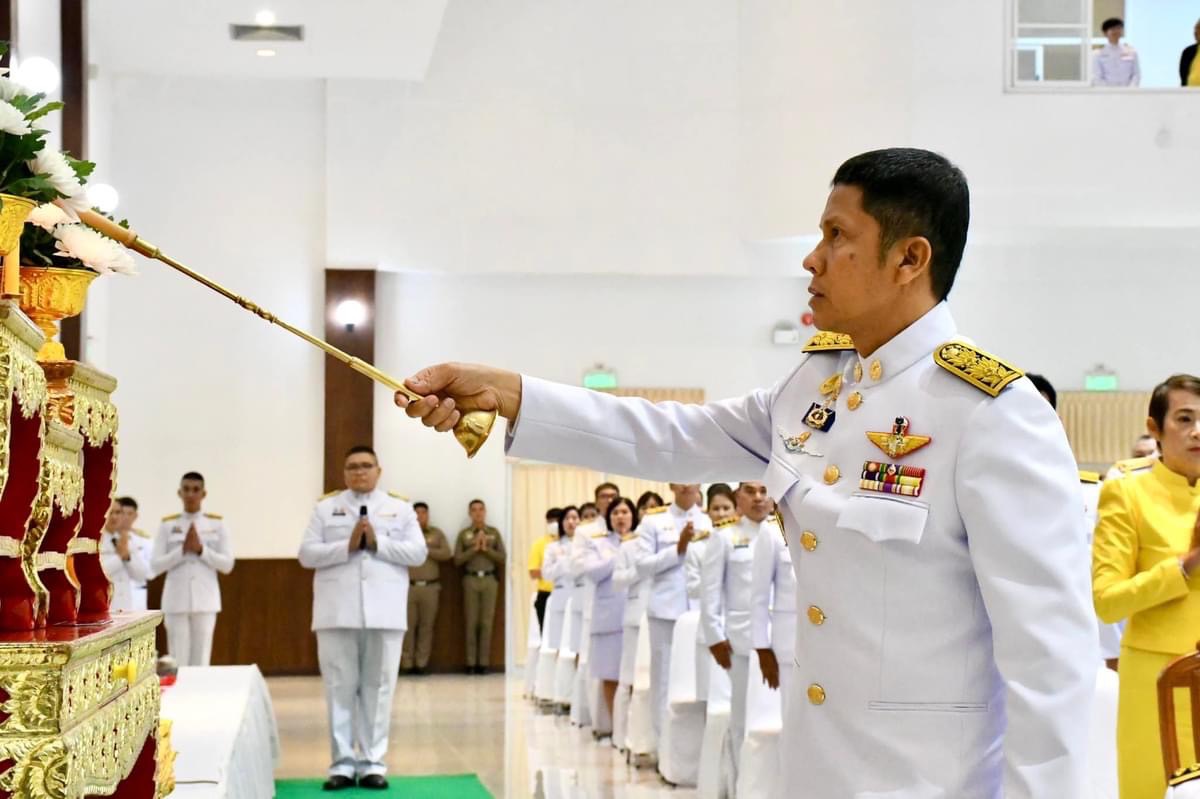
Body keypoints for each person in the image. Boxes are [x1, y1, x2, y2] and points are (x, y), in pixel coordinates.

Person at [398, 147, 1097, 796]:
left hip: (928, 779)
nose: (811, 260)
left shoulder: (992, 413)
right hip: (815, 768)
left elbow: (1050, 658)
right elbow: (671, 437)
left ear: (909, 257)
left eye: (835, 237)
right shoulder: (817, 383)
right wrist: (512, 393)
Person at [1093, 374, 1200, 799]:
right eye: (1185, 418)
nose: (1198, 432)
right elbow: (1107, 601)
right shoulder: (1128, 492)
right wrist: (1184, 568)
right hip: (1156, 678)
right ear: (1155, 428)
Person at [298, 445, 427, 790]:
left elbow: (418, 552)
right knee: (339, 689)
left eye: (366, 466)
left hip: (385, 614)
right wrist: (348, 546)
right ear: (344, 473)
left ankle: (373, 763)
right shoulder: (326, 508)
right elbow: (306, 554)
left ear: (379, 471)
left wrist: (377, 542)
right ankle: (341, 764)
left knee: (380, 689)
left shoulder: (399, 509)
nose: (359, 472)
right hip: (336, 613)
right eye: (352, 466)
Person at [700, 481, 776, 789]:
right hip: (742, 643)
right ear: (737, 498)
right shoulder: (725, 537)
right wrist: (714, 636)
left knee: (781, 721)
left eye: (763, 491)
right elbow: (710, 593)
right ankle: (740, 787)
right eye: (750, 491)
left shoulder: (786, 534)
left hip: (783, 642)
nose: (758, 498)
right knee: (743, 721)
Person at [632, 483, 712, 745]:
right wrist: (678, 548)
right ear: (671, 485)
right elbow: (643, 566)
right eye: (682, 478)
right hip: (666, 610)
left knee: (699, 678)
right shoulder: (654, 521)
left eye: (694, 479)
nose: (688, 484)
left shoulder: (709, 521)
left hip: (700, 610)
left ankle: (696, 745)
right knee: (663, 680)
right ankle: (662, 745)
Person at [150, 472, 235, 668]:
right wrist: (182, 551)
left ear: (204, 494)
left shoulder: (217, 523)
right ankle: (179, 697)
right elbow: (155, 565)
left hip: (205, 600)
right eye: (186, 489)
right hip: (176, 600)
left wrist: (201, 550)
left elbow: (227, 565)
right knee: (177, 659)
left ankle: (199, 697)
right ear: (179, 493)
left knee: (201, 659)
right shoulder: (168, 524)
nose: (191, 494)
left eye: (196, 490)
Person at [575, 496, 633, 723]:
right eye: (616, 512)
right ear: (608, 517)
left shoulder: (641, 540)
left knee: (633, 676)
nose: (620, 517)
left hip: (634, 612)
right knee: (610, 674)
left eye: (625, 512)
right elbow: (592, 572)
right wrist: (620, 556)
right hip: (609, 616)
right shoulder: (598, 542)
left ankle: (630, 728)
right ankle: (614, 726)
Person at [453, 499, 506, 674]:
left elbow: (502, 558)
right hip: (470, 579)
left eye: (481, 510)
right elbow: (457, 560)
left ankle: (483, 663)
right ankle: (470, 663)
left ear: (485, 512)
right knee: (471, 622)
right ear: (469, 513)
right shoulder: (464, 534)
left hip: (490, 580)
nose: (478, 513)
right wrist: (474, 549)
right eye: (474, 510)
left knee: (486, 622)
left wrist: (486, 549)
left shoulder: (494, 533)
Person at [401, 501, 452, 675]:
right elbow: (399, 553)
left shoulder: (436, 534)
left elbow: (446, 553)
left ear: (428, 515)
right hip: (409, 588)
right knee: (408, 627)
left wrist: (425, 549)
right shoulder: (404, 534)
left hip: (430, 587)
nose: (420, 516)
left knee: (426, 627)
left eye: (424, 513)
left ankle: (421, 664)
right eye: (417, 513)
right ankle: (407, 664)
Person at [539, 506, 578, 710]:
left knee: (575, 646)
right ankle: (557, 693)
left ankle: (574, 695)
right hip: (561, 596)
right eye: (568, 518)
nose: (572, 522)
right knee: (557, 645)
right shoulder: (553, 548)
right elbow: (546, 573)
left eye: (575, 518)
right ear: (561, 523)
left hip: (579, 596)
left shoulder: (586, 545)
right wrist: (563, 562)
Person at [99, 497, 151, 612]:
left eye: (118, 512)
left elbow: (142, 575)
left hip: (127, 606)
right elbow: (98, 573)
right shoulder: (96, 541)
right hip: (106, 606)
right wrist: (119, 557)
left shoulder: (127, 540)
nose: (114, 517)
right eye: (110, 512)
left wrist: (127, 557)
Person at [528, 508, 562, 632]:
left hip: (566, 593)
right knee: (547, 635)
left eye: (557, 520)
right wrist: (556, 570)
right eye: (550, 521)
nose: (554, 524)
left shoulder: (571, 542)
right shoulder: (540, 544)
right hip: (546, 594)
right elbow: (533, 572)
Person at [1092, 17, 1140, 87]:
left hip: (1128, 92)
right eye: (1112, 29)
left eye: (1118, 28)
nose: (1116, 31)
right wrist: (1110, 92)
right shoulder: (1097, 53)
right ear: (1105, 33)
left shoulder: (1131, 52)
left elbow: (1136, 74)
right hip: (1107, 94)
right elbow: (1097, 76)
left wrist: (1130, 89)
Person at [1181, 19, 1200, 87]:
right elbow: (1183, 77)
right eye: (1195, 29)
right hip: (1191, 94)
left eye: (1198, 29)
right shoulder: (1188, 52)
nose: (1195, 32)